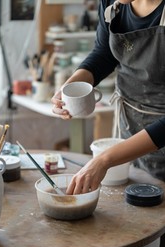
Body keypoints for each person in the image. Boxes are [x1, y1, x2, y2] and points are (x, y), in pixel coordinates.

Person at [51, 0, 165, 183]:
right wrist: (70, 86)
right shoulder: (113, 4)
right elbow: (105, 53)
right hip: (130, 129)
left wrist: (105, 159)